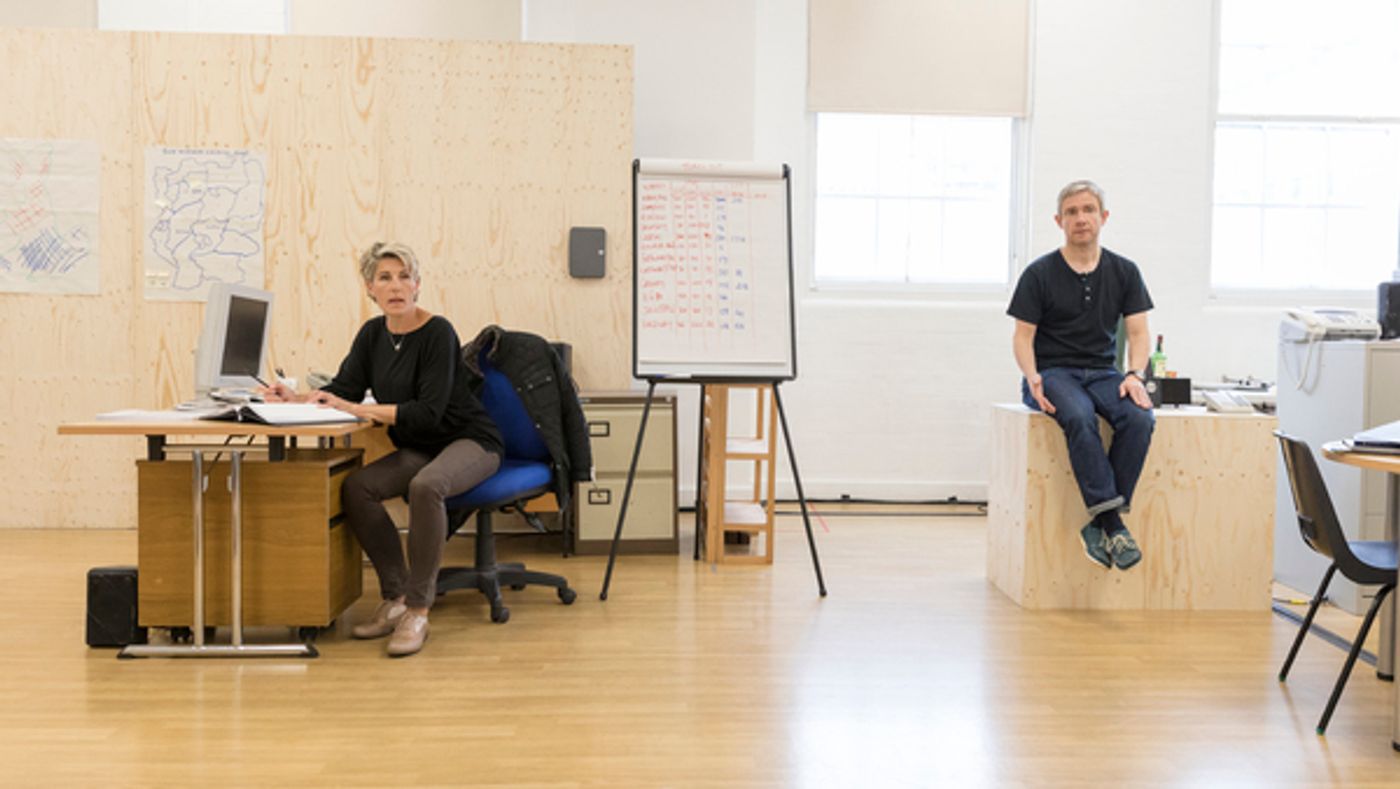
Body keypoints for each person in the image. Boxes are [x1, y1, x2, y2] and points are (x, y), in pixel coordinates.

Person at [261, 241, 503, 656]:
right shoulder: (372, 335)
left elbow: (428, 413)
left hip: (470, 441)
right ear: (369, 288)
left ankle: (418, 610)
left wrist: (355, 409)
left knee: (427, 485)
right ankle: (396, 597)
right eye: (384, 278)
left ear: (418, 285)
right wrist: (294, 397)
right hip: (421, 447)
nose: (395, 286)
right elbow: (343, 389)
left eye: (404, 277)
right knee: (358, 488)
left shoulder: (438, 333)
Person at [1006, 180, 1155, 571]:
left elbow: (1139, 333)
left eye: (1088, 210)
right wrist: (1032, 376)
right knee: (1078, 414)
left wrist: (1135, 375)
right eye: (1071, 212)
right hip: (1053, 373)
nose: (1081, 218)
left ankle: (1101, 524)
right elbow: (1022, 337)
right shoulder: (1039, 273)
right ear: (1059, 221)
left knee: (1140, 418)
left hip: (1104, 372)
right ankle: (1113, 523)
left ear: (1103, 217)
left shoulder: (1125, 271)